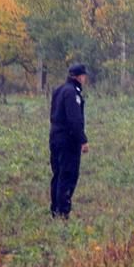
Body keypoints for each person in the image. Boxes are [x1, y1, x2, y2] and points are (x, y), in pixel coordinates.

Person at [49, 64, 90, 218]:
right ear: (79, 77)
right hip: (68, 140)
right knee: (68, 175)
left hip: (55, 137)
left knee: (57, 174)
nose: (85, 78)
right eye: (84, 76)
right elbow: (74, 120)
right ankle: (63, 212)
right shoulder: (72, 93)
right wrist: (82, 140)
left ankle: (55, 210)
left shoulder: (58, 90)